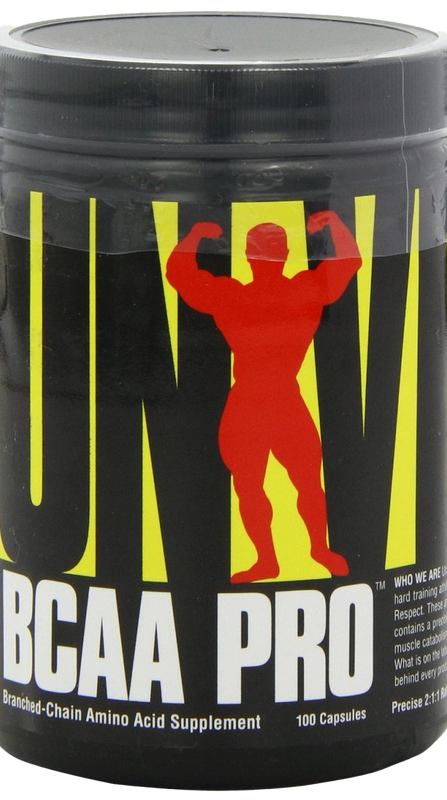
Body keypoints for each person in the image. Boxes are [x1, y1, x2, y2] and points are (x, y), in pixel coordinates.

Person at [166, 211, 362, 583]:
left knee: (277, 484)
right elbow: (349, 262)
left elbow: (179, 274)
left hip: (261, 401)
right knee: (274, 484)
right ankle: (282, 557)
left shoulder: (238, 295)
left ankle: (302, 553)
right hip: (268, 402)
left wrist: (196, 234)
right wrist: (333, 223)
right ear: (284, 254)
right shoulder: (300, 290)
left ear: (248, 256)